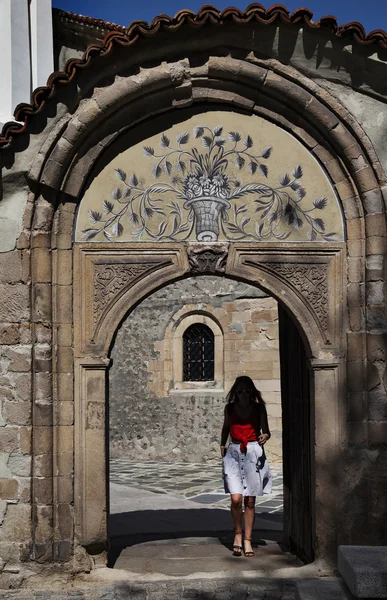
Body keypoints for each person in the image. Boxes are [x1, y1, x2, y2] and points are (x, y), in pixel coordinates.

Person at [220, 375, 272, 557]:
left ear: (252, 392)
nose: (243, 395)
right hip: (234, 451)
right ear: (236, 392)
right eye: (240, 391)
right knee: (236, 499)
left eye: (247, 391)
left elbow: (266, 431)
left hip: (252, 452)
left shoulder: (259, 408)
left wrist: (265, 436)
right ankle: (237, 534)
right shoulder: (230, 408)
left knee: (250, 500)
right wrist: (222, 445)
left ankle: (248, 540)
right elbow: (226, 428)